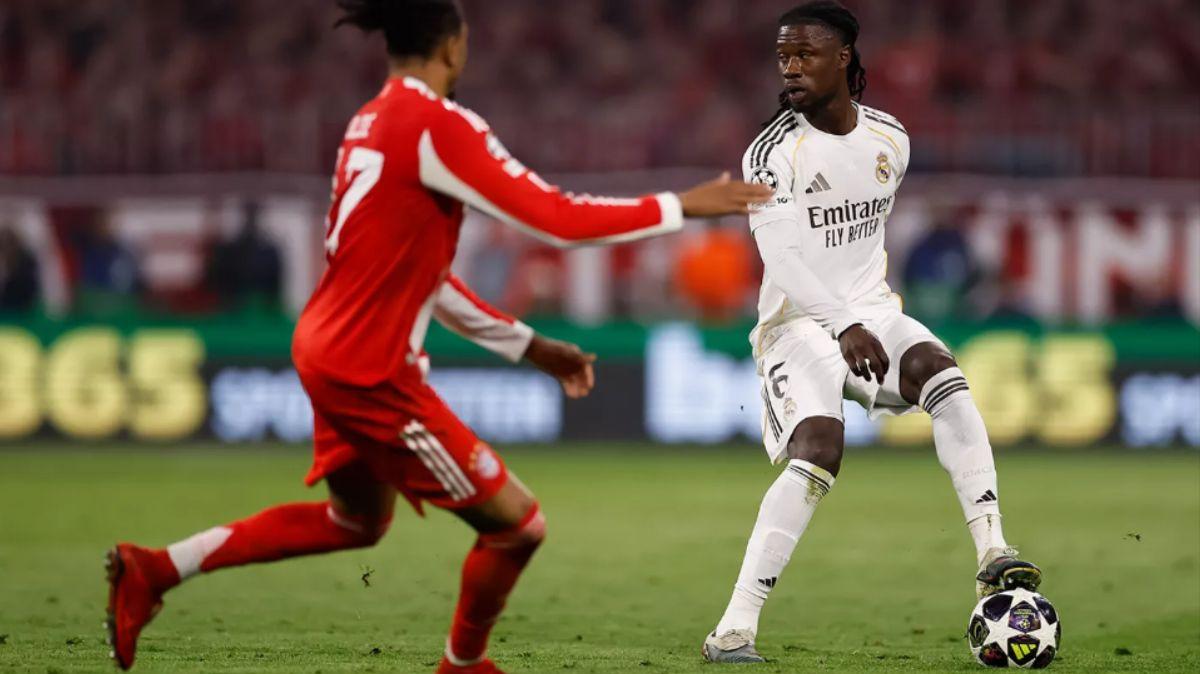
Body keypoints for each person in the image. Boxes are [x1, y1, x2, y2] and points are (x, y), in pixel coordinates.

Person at [103, 1, 770, 673]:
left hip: (323, 347)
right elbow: (555, 217)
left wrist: (526, 345)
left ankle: (156, 569)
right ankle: (463, 664)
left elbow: (422, 277)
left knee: (354, 522)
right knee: (517, 526)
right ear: (452, 47)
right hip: (370, 369)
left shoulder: (366, 123)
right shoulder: (437, 125)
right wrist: (679, 205)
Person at [701, 2, 1042, 663]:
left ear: (844, 59)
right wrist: (843, 324)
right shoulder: (770, 154)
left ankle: (993, 551)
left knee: (944, 376)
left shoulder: (891, 138)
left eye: (805, 54)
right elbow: (783, 260)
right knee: (820, 449)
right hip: (796, 325)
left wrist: (861, 318)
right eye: (784, 56)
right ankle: (734, 628)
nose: (791, 68)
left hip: (871, 310)